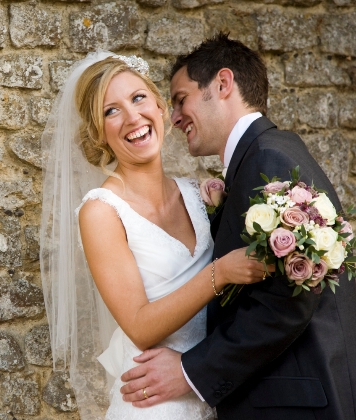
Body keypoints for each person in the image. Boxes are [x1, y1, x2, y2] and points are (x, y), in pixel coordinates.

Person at [119, 33, 356, 420]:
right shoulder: (273, 151)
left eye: (181, 99)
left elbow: (286, 301)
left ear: (223, 84)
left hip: (292, 402)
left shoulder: (268, 159)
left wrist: (190, 371)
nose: (175, 117)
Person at [40, 51, 268, 419]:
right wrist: (222, 272)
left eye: (138, 98)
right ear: (98, 132)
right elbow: (140, 326)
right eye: (110, 111)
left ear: (161, 107)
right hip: (153, 404)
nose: (132, 117)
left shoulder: (200, 194)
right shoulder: (101, 211)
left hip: (215, 392)